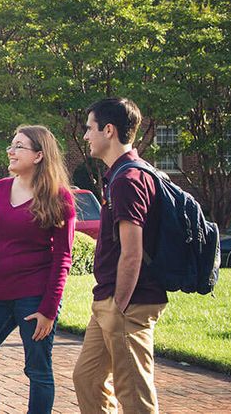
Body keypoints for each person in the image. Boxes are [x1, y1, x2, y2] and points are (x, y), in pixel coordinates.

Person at [0, 125, 76, 414]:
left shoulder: (59, 197)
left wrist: (49, 309)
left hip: (34, 298)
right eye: (11, 144)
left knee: (37, 371)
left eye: (19, 146)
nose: (11, 150)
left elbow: (63, 258)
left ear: (38, 155)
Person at [72, 97, 167, 414]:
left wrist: (120, 305)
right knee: (87, 379)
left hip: (128, 301)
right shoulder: (120, 175)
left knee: (134, 393)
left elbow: (132, 252)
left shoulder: (128, 180)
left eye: (89, 128)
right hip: (110, 298)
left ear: (108, 130)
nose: (86, 136)